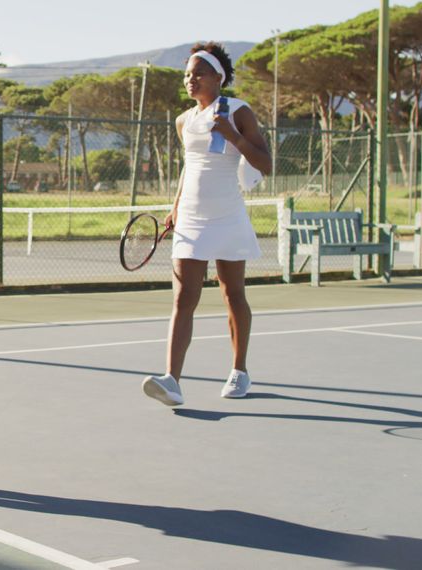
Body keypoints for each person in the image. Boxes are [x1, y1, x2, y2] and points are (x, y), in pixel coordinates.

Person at [142, 42, 272, 407]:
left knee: (233, 294)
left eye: (198, 73)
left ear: (219, 77)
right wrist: (175, 206)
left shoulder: (240, 111)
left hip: (228, 217)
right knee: (184, 297)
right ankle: (172, 381)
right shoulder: (184, 121)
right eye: (187, 74)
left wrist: (233, 135)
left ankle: (239, 371)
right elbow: (189, 168)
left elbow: (266, 163)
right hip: (192, 221)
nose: (190, 79)